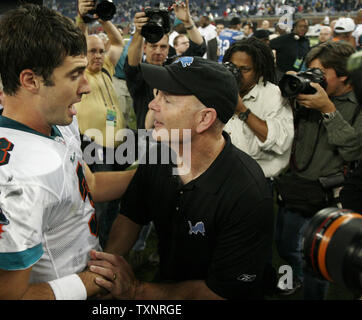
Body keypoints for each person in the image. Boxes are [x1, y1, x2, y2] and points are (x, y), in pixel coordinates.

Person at [0, 3, 134, 300]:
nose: (86, 86)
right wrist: (94, 281)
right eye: (75, 74)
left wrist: (152, 174)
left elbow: (91, 185)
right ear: (31, 80)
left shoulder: (58, 122)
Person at [88, 57, 274, 300]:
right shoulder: (159, 157)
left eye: (167, 99)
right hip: (165, 283)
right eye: (157, 95)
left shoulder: (247, 193)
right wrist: (108, 271)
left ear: (204, 119)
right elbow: (131, 216)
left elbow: (220, 292)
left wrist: (136, 290)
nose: (153, 105)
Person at [275, 41, 362, 299]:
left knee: (316, 261)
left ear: (343, 75)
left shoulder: (358, 103)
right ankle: (291, 281)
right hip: (292, 188)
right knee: (284, 246)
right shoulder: (304, 93)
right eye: (309, 71)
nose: (312, 78)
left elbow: (353, 151)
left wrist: (328, 110)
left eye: (319, 73)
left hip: (326, 196)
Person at [75, 0, 126, 248]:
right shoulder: (77, 74)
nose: (97, 55)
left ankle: (109, 242)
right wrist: (82, 19)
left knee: (116, 201)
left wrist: (103, 18)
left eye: (99, 50)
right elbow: (75, 44)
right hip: (95, 146)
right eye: (91, 51)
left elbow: (117, 42)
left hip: (117, 145)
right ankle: (101, 247)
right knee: (102, 204)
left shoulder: (106, 68)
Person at [223, 37, 293, 184]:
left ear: (259, 71)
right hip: (224, 179)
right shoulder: (218, 91)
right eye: (233, 67)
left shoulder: (274, 96)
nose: (237, 73)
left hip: (260, 181)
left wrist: (242, 110)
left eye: (245, 69)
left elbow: (280, 144)